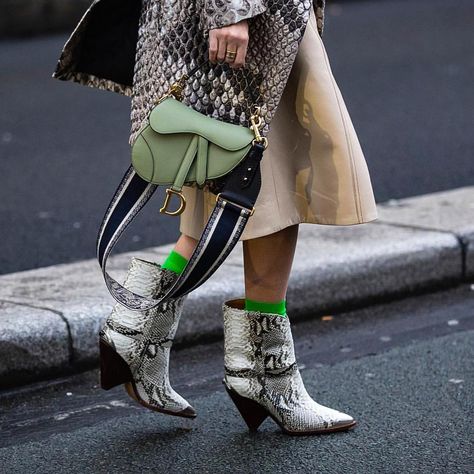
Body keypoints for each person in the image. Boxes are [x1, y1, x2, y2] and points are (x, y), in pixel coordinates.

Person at [52, 0, 377, 435]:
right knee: (270, 183)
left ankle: (138, 331)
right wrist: (232, 9)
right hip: (251, 18)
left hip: (260, 17)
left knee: (242, 183)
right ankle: (263, 375)